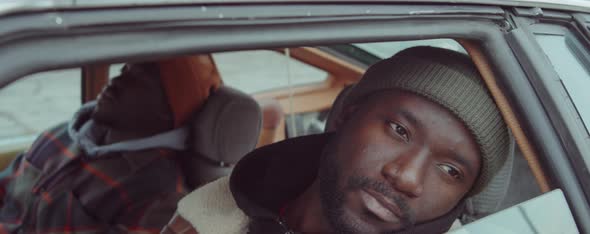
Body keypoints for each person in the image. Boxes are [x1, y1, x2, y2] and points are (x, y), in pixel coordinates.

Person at [162, 46, 511, 234]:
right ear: (346, 114)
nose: (407, 177)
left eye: (451, 171)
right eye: (399, 131)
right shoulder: (212, 211)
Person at [0, 56, 221, 233]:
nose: (115, 81)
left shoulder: (160, 197)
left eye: (137, 78)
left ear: (169, 109)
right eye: (124, 70)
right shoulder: (59, 135)